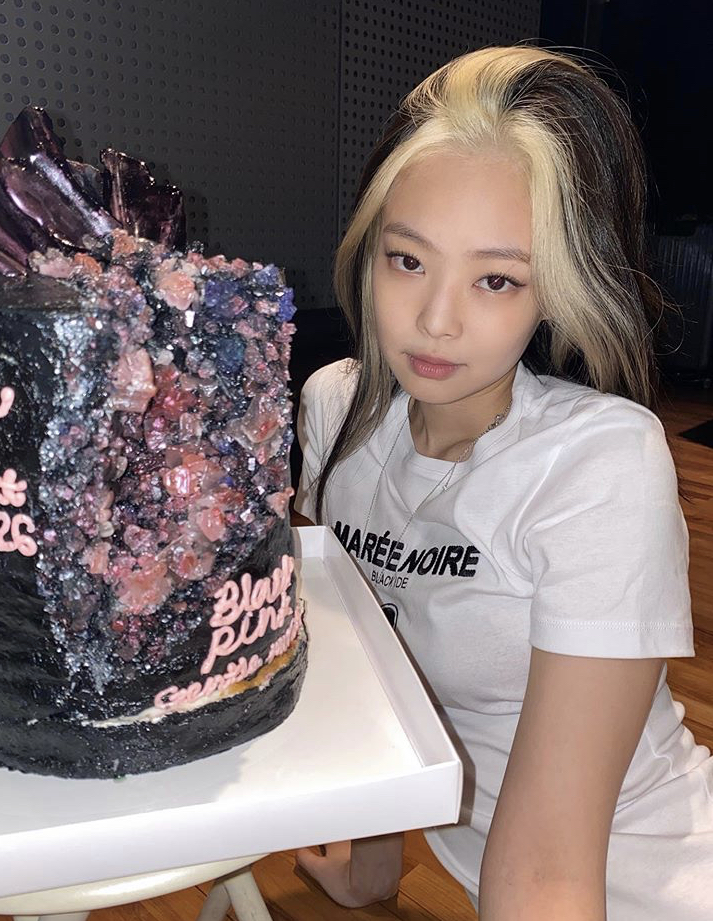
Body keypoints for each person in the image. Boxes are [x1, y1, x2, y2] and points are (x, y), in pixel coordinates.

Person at [292, 45, 713, 920]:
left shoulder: (596, 463)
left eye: (496, 279)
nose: (436, 320)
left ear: (553, 291)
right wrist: (372, 865)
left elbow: (549, 872)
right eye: (408, 260)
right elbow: (370, 671)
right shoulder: (335, 411)